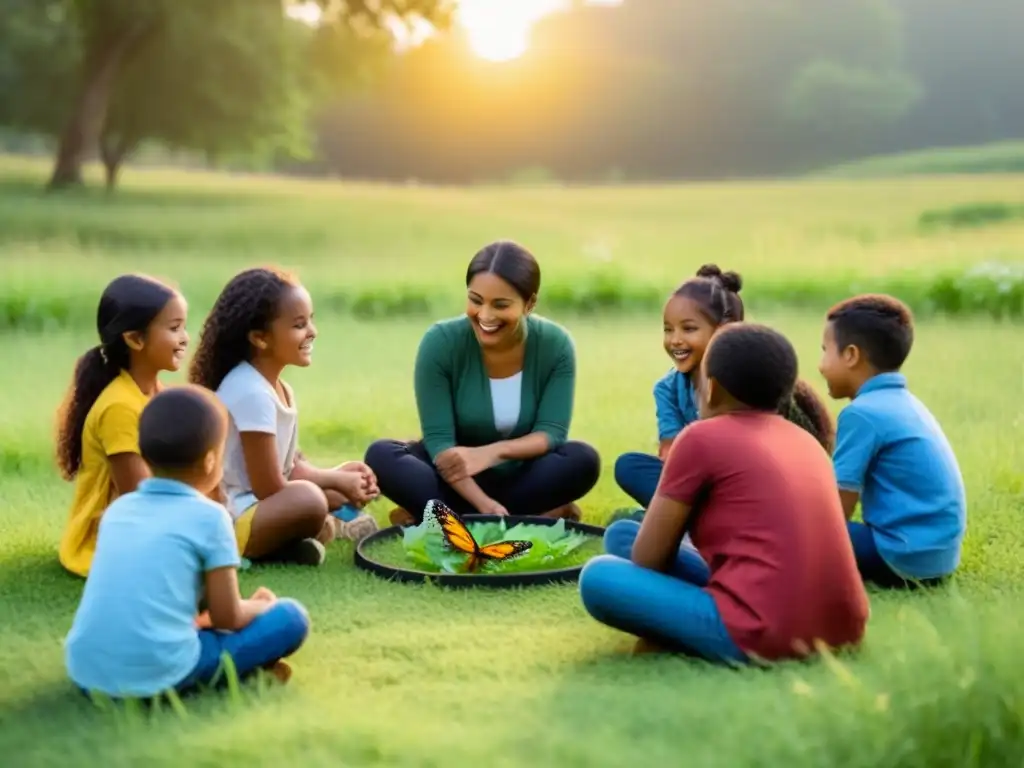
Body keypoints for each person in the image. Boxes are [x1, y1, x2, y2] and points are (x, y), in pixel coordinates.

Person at [579, 323, 869, 664]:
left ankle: (682, 630)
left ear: (711, 388)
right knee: (622, 533)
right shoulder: (806, 442)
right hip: (845, 629)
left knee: (598, 576)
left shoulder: (700, 437)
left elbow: (647, 559)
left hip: (763, 634)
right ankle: (689, 613)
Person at [65, 386, 310, 700]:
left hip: (87, 673)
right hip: (159, 671)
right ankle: (239, 670)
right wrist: (262, 606)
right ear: (211, 461)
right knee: (290, 617)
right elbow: (228, 617)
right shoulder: (210, 517)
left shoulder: (117, 511)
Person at [365, 240, 601, 526]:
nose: (485, 316)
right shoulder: (440, 342)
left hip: (521, 475)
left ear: (530, 303)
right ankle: (509, 516)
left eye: (500, 305)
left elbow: (551, 433)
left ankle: (443, 516)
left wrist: (490, 453)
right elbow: (440, 443)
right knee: (381, 455)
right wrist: (483, 502)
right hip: (450, 475)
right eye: (476, 301)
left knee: (583, 459)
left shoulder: (556, 345)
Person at [609, 264, 834, 524]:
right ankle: (688, 521)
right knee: (630, 467)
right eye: (668, 329)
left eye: (689, 329)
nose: (675, 340)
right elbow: (670, 453)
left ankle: (680, 523)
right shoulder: (667, 388)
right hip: (701, 482)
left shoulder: (751, 383)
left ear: (724, 332)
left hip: (757, 486)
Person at [189, 266, 379, 567]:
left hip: (261, 506)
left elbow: (288, 468)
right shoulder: (251, 391)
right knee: (312, 501)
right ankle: (280, 545)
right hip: (234, 517)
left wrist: (340, 475)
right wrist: (334, 481)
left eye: (311, 321)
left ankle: (294, 545)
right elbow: (270, 486)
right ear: (260, 338)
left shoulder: (277, 388)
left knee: (323, 498)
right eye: (299, 325)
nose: (312, 332)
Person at [819, 293, 966, 589]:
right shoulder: (905, 403)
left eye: (825, 351)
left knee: (794, 528)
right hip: (936, 557)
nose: (821, 365)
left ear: (851, 355)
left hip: (902, 557)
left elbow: (837, 510)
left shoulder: (862, 414)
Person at [56, 274, 189, 578]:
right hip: (110, 539)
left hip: (155, 516)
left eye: (183, 326)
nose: (185, 337)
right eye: (174, 328)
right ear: (135, 339)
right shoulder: (119, 406)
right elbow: (139, 497)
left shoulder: (160, 393)